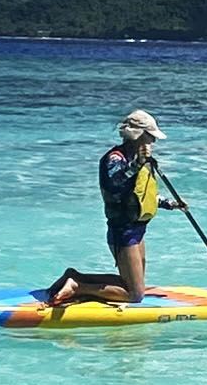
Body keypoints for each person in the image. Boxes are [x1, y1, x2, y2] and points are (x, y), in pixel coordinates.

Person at [41, 107, 171, 308]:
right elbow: (116, 183)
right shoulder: (115, 159)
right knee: (135, 295)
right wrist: (138, 163)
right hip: (123, 230)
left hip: (138, 228)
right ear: (137, 136)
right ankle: (77, 286)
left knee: (135, 286)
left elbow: (141, 193)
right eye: (149, 136)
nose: (152, 142)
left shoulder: (138, 159)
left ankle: (75, 276)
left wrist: (168, 204)